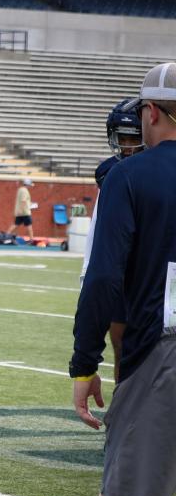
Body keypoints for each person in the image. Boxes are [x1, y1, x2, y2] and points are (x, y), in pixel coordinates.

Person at [70, 62, 176, 496]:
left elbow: (105, 279)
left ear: (152, 112)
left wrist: (84, 363)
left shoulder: (130, 178)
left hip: (162, 354)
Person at [79, 98, 145, 382]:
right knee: (118, 338)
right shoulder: (109, 172)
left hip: (151, 265)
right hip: (120, 265)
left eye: (134, 138)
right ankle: (123, 401)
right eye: (123, 139)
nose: (128, 146)